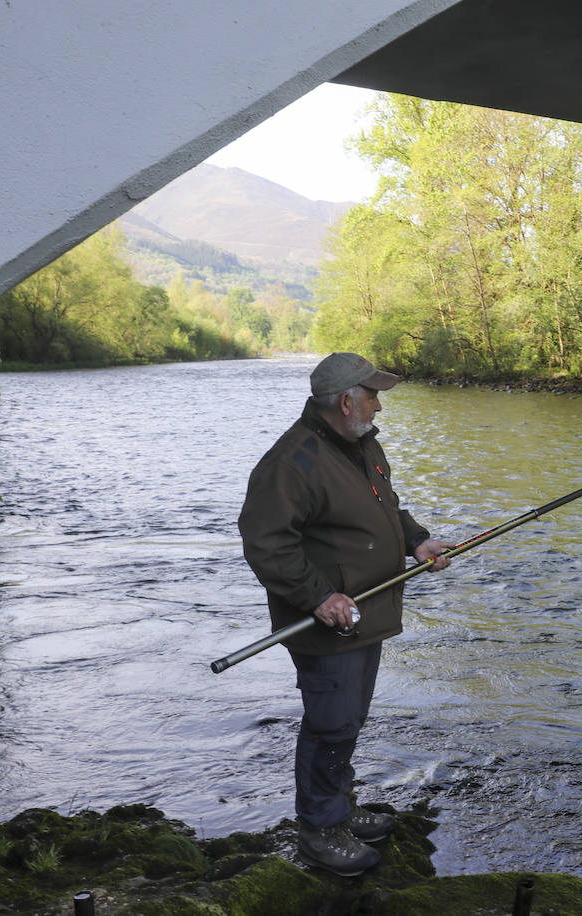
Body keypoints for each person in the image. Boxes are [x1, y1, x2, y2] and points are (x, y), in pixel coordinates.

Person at [238, 352, 453, 876]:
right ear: (346, 400)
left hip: (366, 613)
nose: (380, 405)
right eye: (373, 395)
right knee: (329, 725)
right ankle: (319, 831)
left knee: (348, 720)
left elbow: (387, 509)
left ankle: (340, 809)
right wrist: (318, 596)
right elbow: (265, 543)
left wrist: (418, 542)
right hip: (326, 622)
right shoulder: (292, 462)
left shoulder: (363, 444)